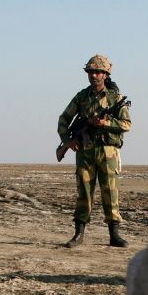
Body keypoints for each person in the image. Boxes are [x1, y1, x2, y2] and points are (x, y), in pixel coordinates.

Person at [57, 54, 132, 247]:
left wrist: (106, 122)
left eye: (98, 72)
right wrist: (68, 141)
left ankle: (114, 235)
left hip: (108, 151)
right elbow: (64, 120)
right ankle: (78, 234)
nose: (94, 75)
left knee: (110, 192)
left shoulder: (116, 98)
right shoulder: (81, 97)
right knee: (84, 192)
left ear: (106, 74)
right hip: (86, 150)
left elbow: (126, 124)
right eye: (91, 72)